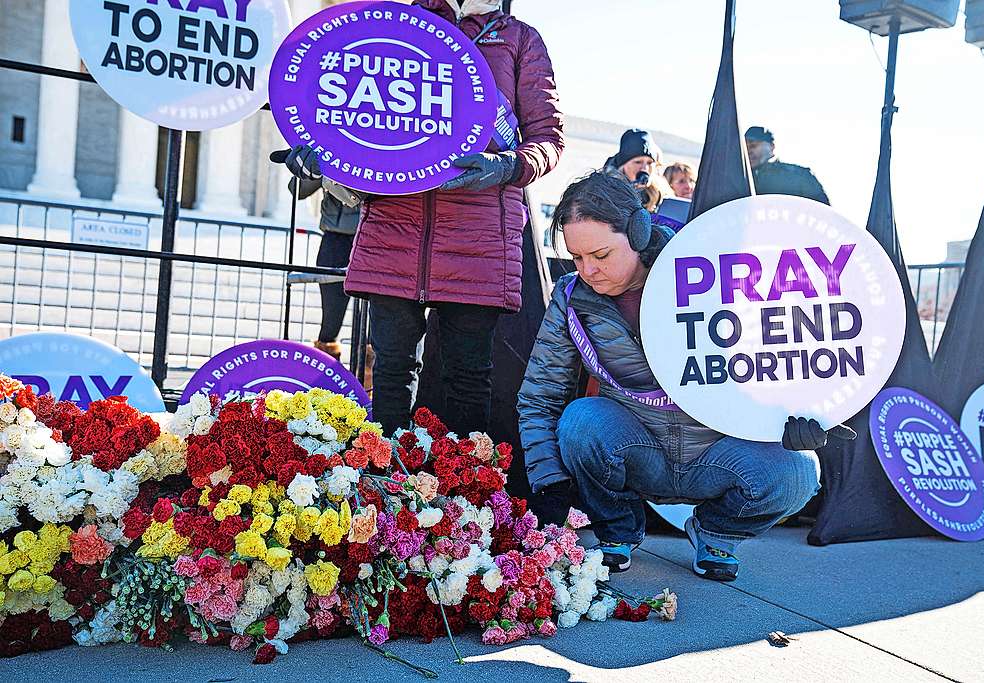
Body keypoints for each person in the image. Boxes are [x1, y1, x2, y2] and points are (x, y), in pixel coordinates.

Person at [518, 171, 854, 581]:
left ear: (638, 232)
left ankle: (715, 533)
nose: (588, 269)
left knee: (800, 471)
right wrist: (549, 483)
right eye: (577, 258)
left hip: (718, 454)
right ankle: (617, 532)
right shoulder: (571, 298)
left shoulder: (713, 273)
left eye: (601, 255)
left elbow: (781, 352)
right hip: (638, 447)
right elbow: (540, 396)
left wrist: (803, 415)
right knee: (580, 421)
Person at [276, 0, 563, 438]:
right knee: (389, 375)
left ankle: (467, 498)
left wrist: (507, 166)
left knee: (467, 380)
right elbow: (356, 119)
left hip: (477, 238)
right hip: (393, 231)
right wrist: (327, 159)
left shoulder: (519, 38)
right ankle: (386, 491)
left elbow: (548, 139)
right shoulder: (392, 26)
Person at [266, 163, 361, 361]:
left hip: (377, 238)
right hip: (336, 238)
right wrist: (319, 162)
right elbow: (297, 189)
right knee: (331, 319)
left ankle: (370, 380)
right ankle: (326, 376)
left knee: (377, 321)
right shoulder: (333, 148)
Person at [744, 126, 830, 204]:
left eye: (753, 146)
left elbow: (824, 212)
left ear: (772, 146)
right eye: (744, 148)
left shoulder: (799, 175)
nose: (748, 151)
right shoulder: (738, 180)